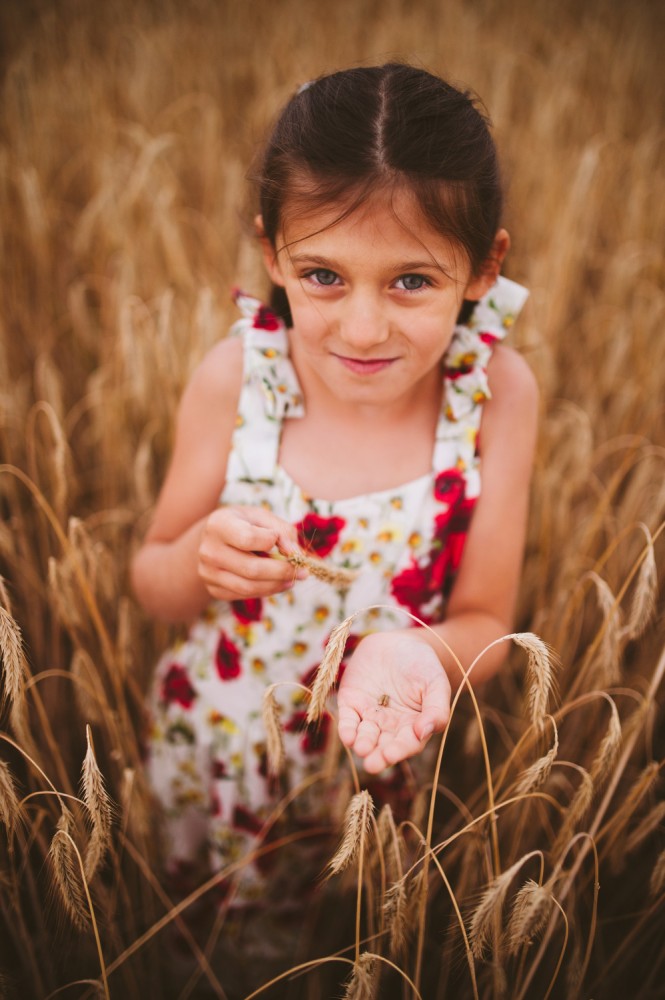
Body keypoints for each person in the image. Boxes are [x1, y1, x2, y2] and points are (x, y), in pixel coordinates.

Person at [131, 62, 538, 990]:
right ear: (272, 254)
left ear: (483, 268)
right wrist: (204, 561)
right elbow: (152, 583)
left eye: (409, 282)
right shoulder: (240, 381)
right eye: (322, 275)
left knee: (360, 952)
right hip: (232, 744)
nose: (361, 327)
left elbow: (488, 623)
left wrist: (416, 655)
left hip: (381, 754)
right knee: (217, 959)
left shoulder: (495, 395)